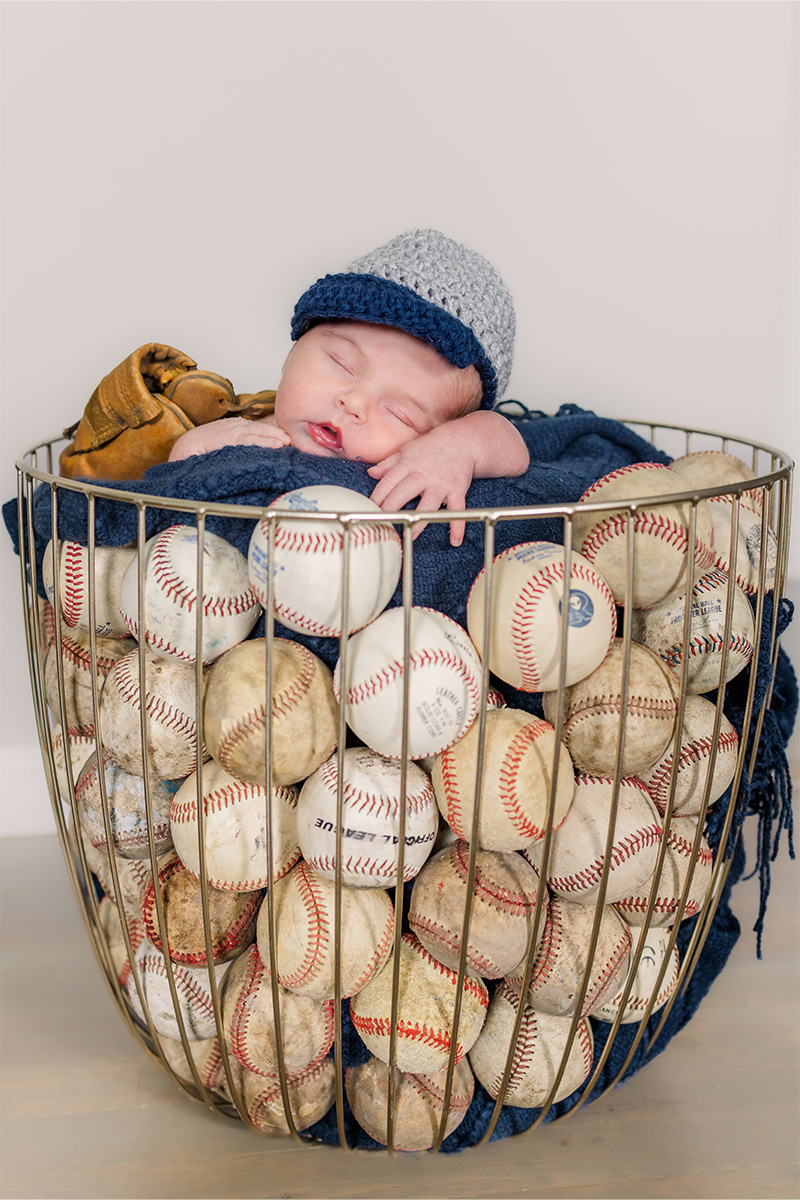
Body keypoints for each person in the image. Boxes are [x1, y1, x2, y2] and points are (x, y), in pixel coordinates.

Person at [169, 229, 529, 545]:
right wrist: (194, 446)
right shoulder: (249, 433)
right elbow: (170, 500)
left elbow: (510, 444)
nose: (354, 403)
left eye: (399, 412)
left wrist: (456, 449)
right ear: (293, 352)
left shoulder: (435, 454)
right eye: (342, 364)